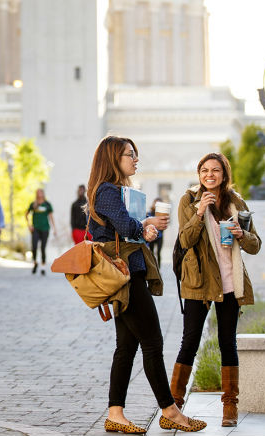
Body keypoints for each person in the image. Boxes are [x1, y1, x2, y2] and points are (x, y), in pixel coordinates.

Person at [86, 135, 206, 434]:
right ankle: (170, 412)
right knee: (153, 342)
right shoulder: (107, 191)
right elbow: (126, 227)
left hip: (128, 273)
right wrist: (147, 225)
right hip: (124, 276)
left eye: (135, 154)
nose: (135, 159)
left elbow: (124, 227)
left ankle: (115, 413)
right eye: (130, 154)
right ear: (113, 158)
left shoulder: (117, 191)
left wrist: (146, 224)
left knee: (126, 347)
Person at [169, 153, 262, 427]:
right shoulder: (189, 200)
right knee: (190, 342)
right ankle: (174, 405)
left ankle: (230, 407)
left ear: (224, 174)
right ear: (199, 174)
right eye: (205, 170)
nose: (210, 175)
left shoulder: (237, 203)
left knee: (227, 343)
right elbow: (185, 239)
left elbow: (255, 245)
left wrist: (241, 234)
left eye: (216, 170)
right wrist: (200, 212)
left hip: (231, 282)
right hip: (198, 282)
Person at [26, 188, 56, 275]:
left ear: (43, 194)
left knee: (43, 248)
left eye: (40, 192)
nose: (39, 194)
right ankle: (35, 262)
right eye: (38, 192)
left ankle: (43, 267)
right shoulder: (33, 204)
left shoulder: (47, 204)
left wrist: (54, 229)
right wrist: (29, 225)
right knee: (34, 246)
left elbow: (51, 217)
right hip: (35, 229)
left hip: (45, 229)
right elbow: (26, 214)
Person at [147, 198, 165, 266]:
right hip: (152, 236)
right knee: (151, 253)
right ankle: (153, 266)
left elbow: (163, 226)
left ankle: (159, 268)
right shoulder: (150, 213)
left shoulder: (162, 214)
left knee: (158, 253)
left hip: (159, 236)